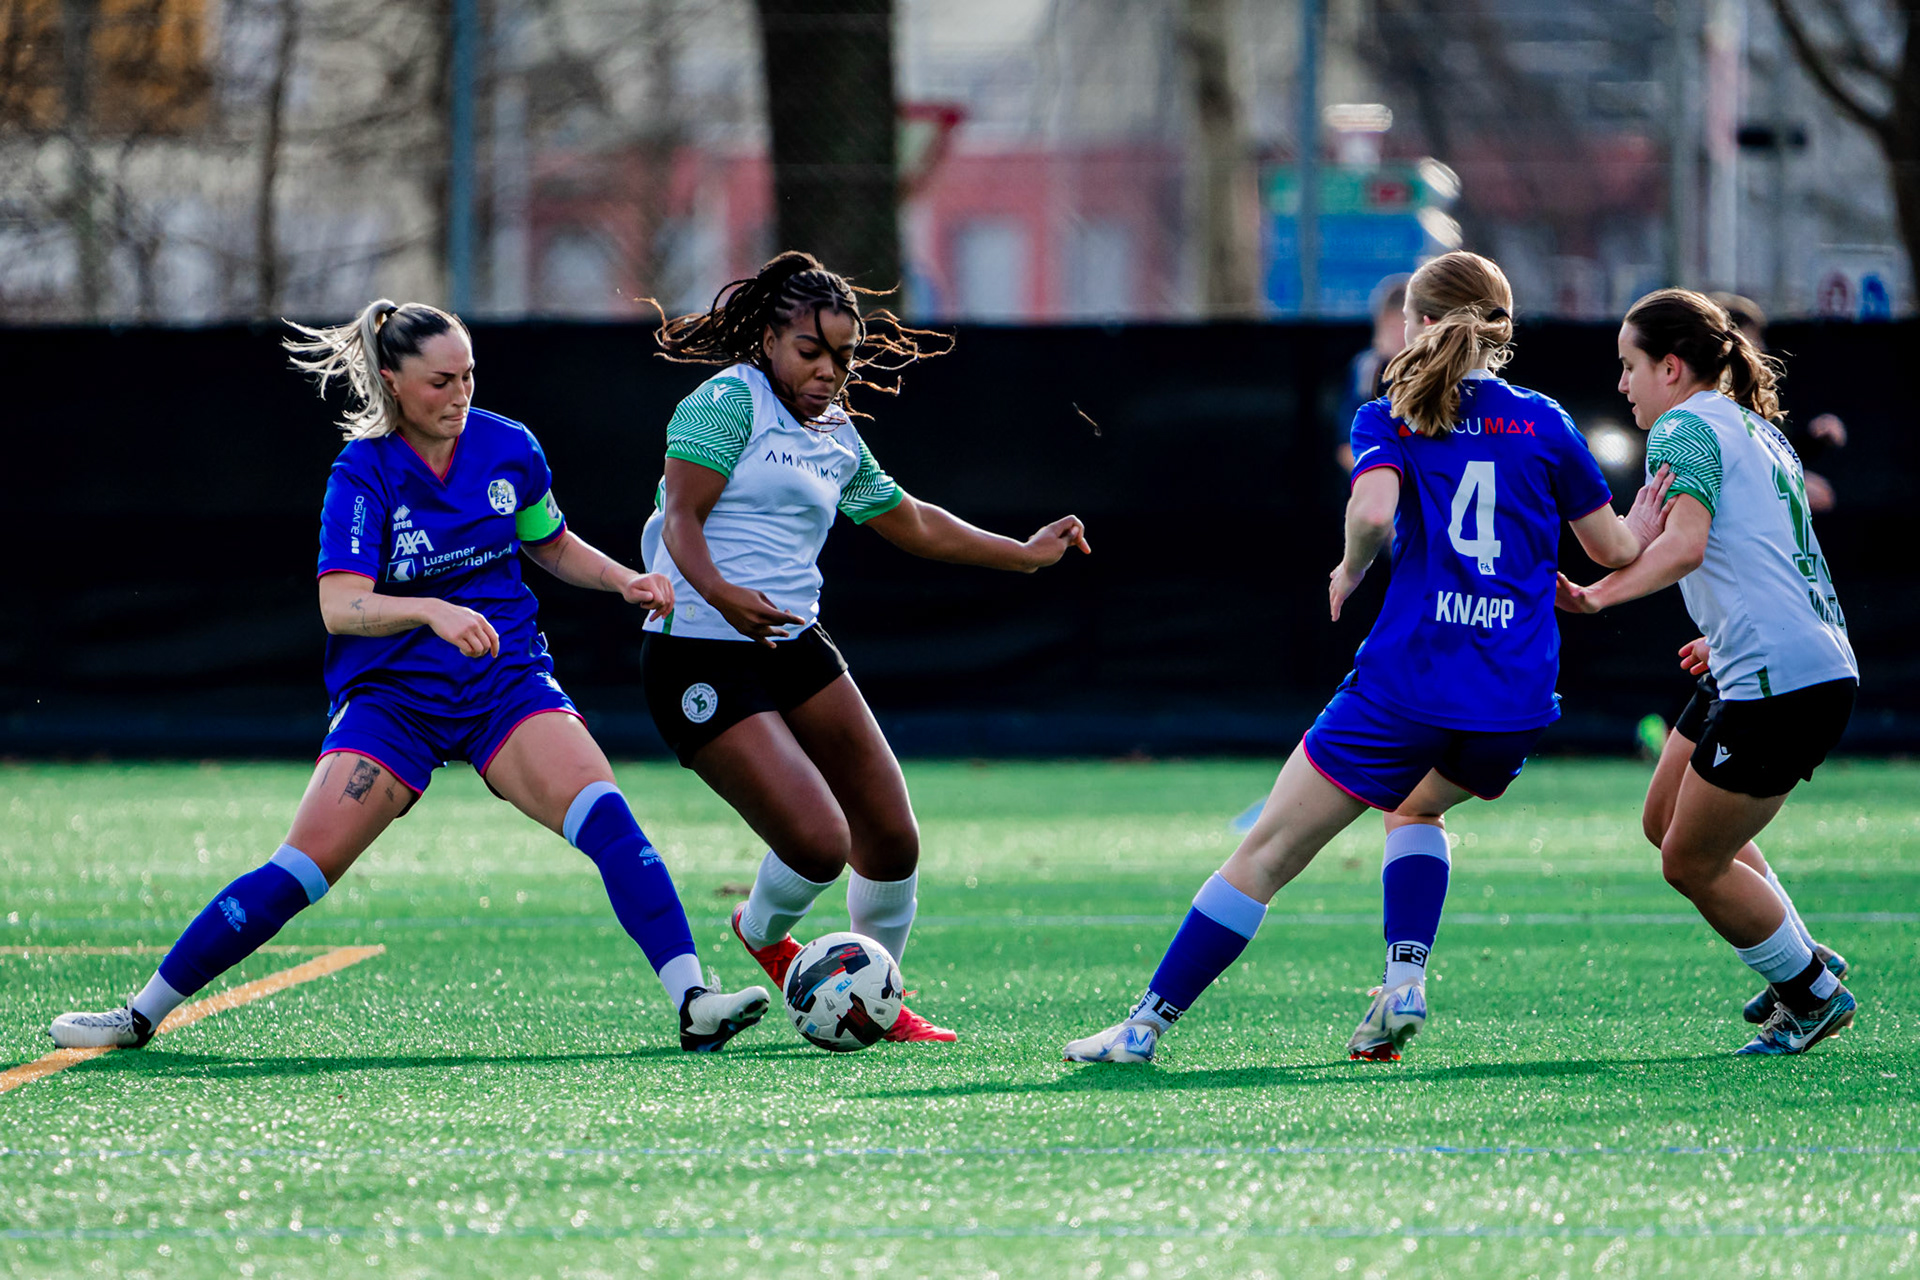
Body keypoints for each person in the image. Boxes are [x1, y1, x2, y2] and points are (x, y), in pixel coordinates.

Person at [50, 300, 771, 1054]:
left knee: (609, 820)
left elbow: (549, 543)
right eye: (439, 382)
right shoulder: (362, 473)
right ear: (392, 381)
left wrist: (624, 580)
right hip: (395, 701)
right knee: (300, 869)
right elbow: (339, 606)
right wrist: (430, 610)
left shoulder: (509, 448)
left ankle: (693, 998)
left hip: (505, 685)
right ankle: (139, 1015)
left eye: (467, 377)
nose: (459, 395)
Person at [1063, 251, 1673, 1065]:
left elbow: (1375, 510)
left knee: (1265, 854)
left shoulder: (1394, 411)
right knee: (1416, 810)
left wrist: (1351, 567)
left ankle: (1142, 1027)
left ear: (1418, 325)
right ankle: (1403, 980)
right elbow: (1615, 547)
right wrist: (1648, 522)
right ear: (1504, 330)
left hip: (1409, 686)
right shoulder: (1549, 422)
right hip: (1514, 700)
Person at [641, 251, 1091, 1043]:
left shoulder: (835, 431)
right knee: (819, 844)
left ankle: (872, 999)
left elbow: (909, 520)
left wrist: (1023, 552)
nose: (827, 371)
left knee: (890, 836)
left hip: (790, 640)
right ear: (769, 340)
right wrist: (723, 596)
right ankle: (761, 930)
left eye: (842, 357)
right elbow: (681, 519)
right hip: (698, 649)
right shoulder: (725, 402)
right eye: (810, 352)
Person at [1557, 288, 1858, 1055]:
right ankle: (1799, 957)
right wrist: (1721, 631)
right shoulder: (1750, 426)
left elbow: (1685, 545)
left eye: (1630, 366)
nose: (1622, 384)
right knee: (1664, 824)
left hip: (1777, 680)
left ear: (1671, 365)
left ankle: (1811, 992)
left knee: (1689, 860)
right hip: (1763, 663)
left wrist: (1596, 598)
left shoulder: (1684, 426)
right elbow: (1680, 543)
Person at [1711, 293, 1847, 514]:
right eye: (1752, 341)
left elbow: (1775, 451)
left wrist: (1815, 440)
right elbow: (1736, 469)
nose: (1762, 349)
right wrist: (1793, 484)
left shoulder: (1752, 397)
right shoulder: (1713, 405)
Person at [1334, 273, 1413, 472]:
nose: (1399, 337)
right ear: (1381, 324)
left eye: (1405, 326)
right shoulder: (1367, 368)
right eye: (1393, 326)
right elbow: (1347, 449)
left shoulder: (1436, 371)